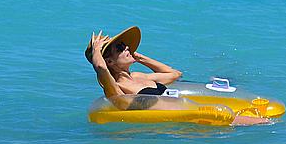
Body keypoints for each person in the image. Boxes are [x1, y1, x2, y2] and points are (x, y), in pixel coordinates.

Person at [85, 26, 270, 125]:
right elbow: (101, 70)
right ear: (108, 61)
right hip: (189, 117)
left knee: (261, 119)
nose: (127, 48)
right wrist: (97, 53)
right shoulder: (117, 88)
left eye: (126, 45)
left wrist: (139, 57)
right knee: (265, 124)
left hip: (191, 106)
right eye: (120, 48)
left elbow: (174, 74)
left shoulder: (141, 76)